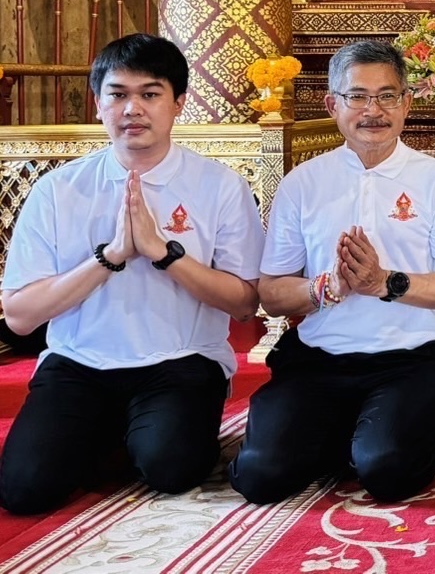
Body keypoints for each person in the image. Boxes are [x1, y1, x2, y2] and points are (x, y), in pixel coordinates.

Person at [0, 34, 263, 515]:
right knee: (23, 490)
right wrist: (110, 257)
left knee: (172, 469)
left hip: (181, 360)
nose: (132, 108)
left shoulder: (221, 187)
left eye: (150, 93)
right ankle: (114, 432)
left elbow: (245, 302)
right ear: (98, 103)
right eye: (118, 94)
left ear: (178, 103)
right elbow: (18, 316)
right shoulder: (57, 191)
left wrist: (164, 254)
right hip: (79, 363)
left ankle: (133, 435)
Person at [228, 40, 435, 504]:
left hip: (410, 359)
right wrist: (321, 288)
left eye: (387, 96)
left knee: (387, 472)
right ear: (332, 104)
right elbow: (272, 293)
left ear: (407, 103)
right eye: (358, 96)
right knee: (260, 477)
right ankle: (350, 431)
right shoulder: (303, 183)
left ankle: (377, 434)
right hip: (318, 361)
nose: (374, 110)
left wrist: (384, 283)